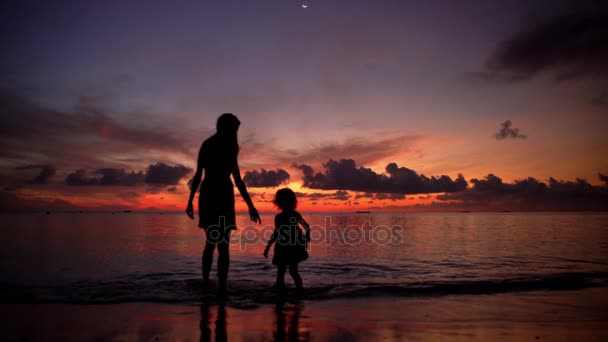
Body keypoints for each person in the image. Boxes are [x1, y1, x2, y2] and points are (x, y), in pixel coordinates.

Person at [186, 113, 261, 290]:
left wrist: (251, 205)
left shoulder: (217, 145)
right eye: (234, 129)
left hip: (217, 194)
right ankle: (216, 285)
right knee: (218, 243)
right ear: (226, 127)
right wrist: (189, 202)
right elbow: (200, 175)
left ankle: (217, 285)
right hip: (216, 194)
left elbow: (235, 178)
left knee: (216, 242)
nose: (236, 133)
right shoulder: (215, 145)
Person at [263, 188, 310, 290]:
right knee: (290, 271)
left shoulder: (288, 216)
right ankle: (296, 289)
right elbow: (276, 233)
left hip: (289, 247)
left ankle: (287, 290)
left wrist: (306, 240)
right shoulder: (291, 215)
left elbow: (276, 233)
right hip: (289, 247)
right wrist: (306, 239)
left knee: (283, 271)